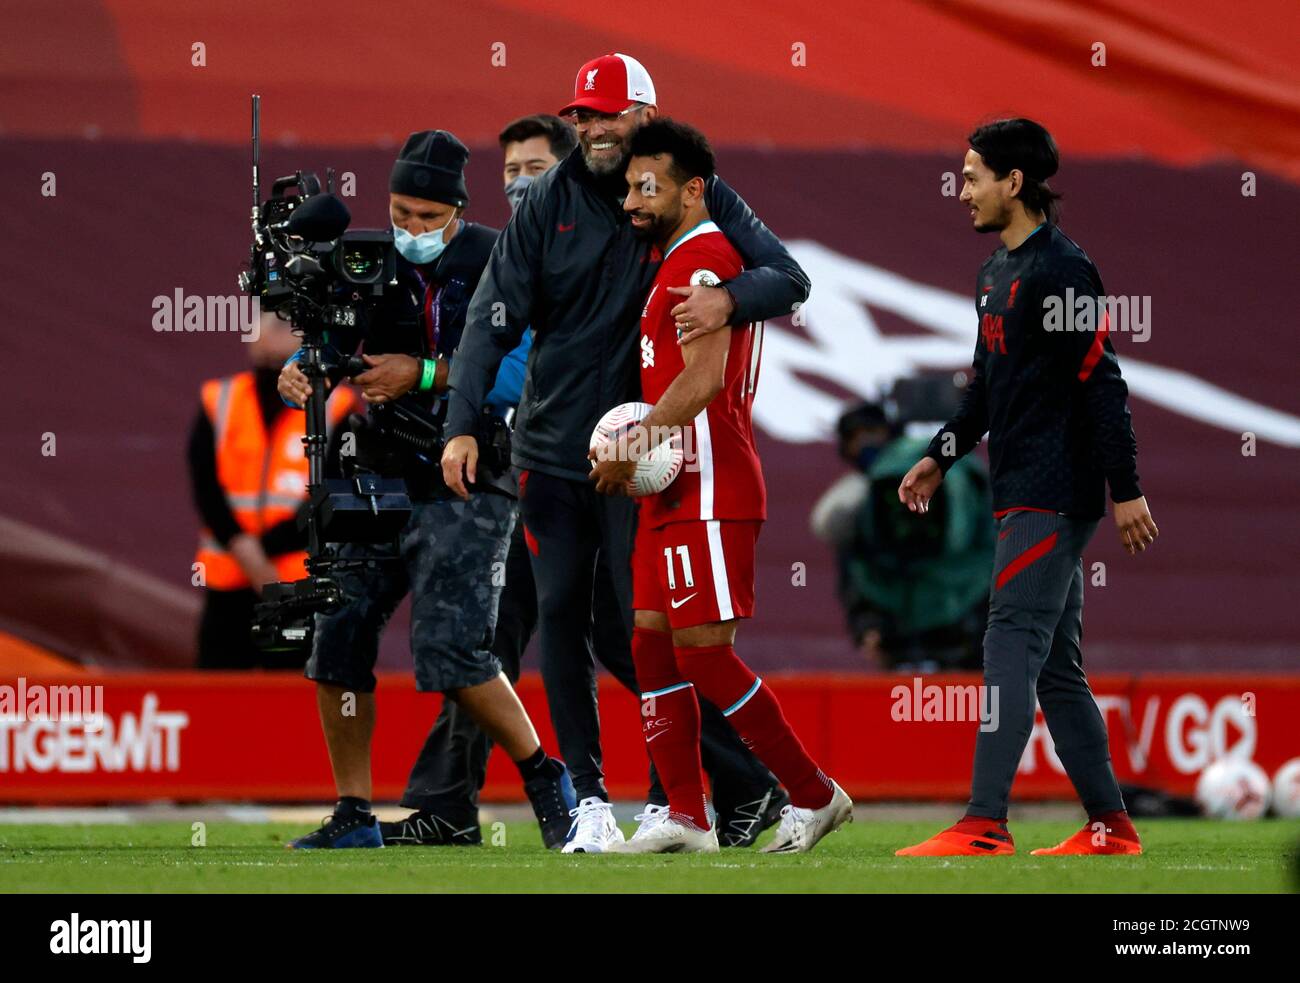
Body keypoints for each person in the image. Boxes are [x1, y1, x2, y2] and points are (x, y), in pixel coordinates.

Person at [441, 53, 802, 853]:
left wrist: (728, 297)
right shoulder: (547, 203)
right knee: (566, 619)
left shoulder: (683, 188)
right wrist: (462, 421)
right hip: (553, 447)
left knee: (636, 634)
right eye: (582, 115)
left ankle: (707, 792)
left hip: (644, 459)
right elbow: (492, 315)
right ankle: (595, 801)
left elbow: (789, 277)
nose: (594, 129)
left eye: (608, 114)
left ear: (646, 112)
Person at [276, 130, 572, 850]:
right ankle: (353, 811)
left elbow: (526, 370)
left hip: (468, 468)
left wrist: (426, 373)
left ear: (458, 211)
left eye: (425, 216)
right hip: (377, 468)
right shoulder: (362, 258)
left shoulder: (501, 258)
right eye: (400, 211)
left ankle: (545, 775)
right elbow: (330, 335)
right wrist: (299, 369)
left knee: (452, 648)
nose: (408, 229)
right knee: (337, 631)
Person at [895, 118, 1159, 858]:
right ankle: (1112, 826)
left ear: (1015, 183)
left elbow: (1103, 383)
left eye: (974, 175)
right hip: (1017, 486)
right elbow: (985, 389)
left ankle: (984, 820)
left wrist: (1126, 488)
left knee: (1009, 639)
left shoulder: (1063, 271)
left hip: (1054, 491)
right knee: (1055, 666)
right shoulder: (993, 273)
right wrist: (939, 456)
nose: (963, 190)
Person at [588, 118, 852, 853]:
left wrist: (632, 441)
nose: (633, 198)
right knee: (649, 644)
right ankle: (685, 813)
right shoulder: (674, 256)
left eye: (650, 186)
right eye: (630, 185)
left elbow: (704, 382)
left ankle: (815, 793)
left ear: (693, 189)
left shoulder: (704, 262)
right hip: (667, 486)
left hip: (707, 483)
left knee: (703, 649)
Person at [379, 114, 578, 847]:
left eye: (535, 167)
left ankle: (724, 786)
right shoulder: (517, 256)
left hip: (569, 474)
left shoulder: (593, 244)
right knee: (479, 640)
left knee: (621, 639)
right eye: (510, 171)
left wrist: (430, 377)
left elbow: (520, 366)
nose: (519, 182)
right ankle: (449, 803)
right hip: (502, 474)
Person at [188, 310, 355, 669]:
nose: (272, 335)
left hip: (296, 581)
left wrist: (264, 551)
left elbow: (333, 493)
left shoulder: (334, 407)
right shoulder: (220, 400)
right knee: (217, 694)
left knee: (293, 697)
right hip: (229, 579)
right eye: (266, 325)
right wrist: (243, 549)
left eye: (285, 326)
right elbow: (204, 485)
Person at [812, 401, 993, 670]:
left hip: (966, 613)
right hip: (902, 613)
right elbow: (829, 524)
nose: (910, 514)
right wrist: (868, 625)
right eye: (853, 438)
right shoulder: (858, 502)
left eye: (869, 432)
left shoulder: (962, 479)